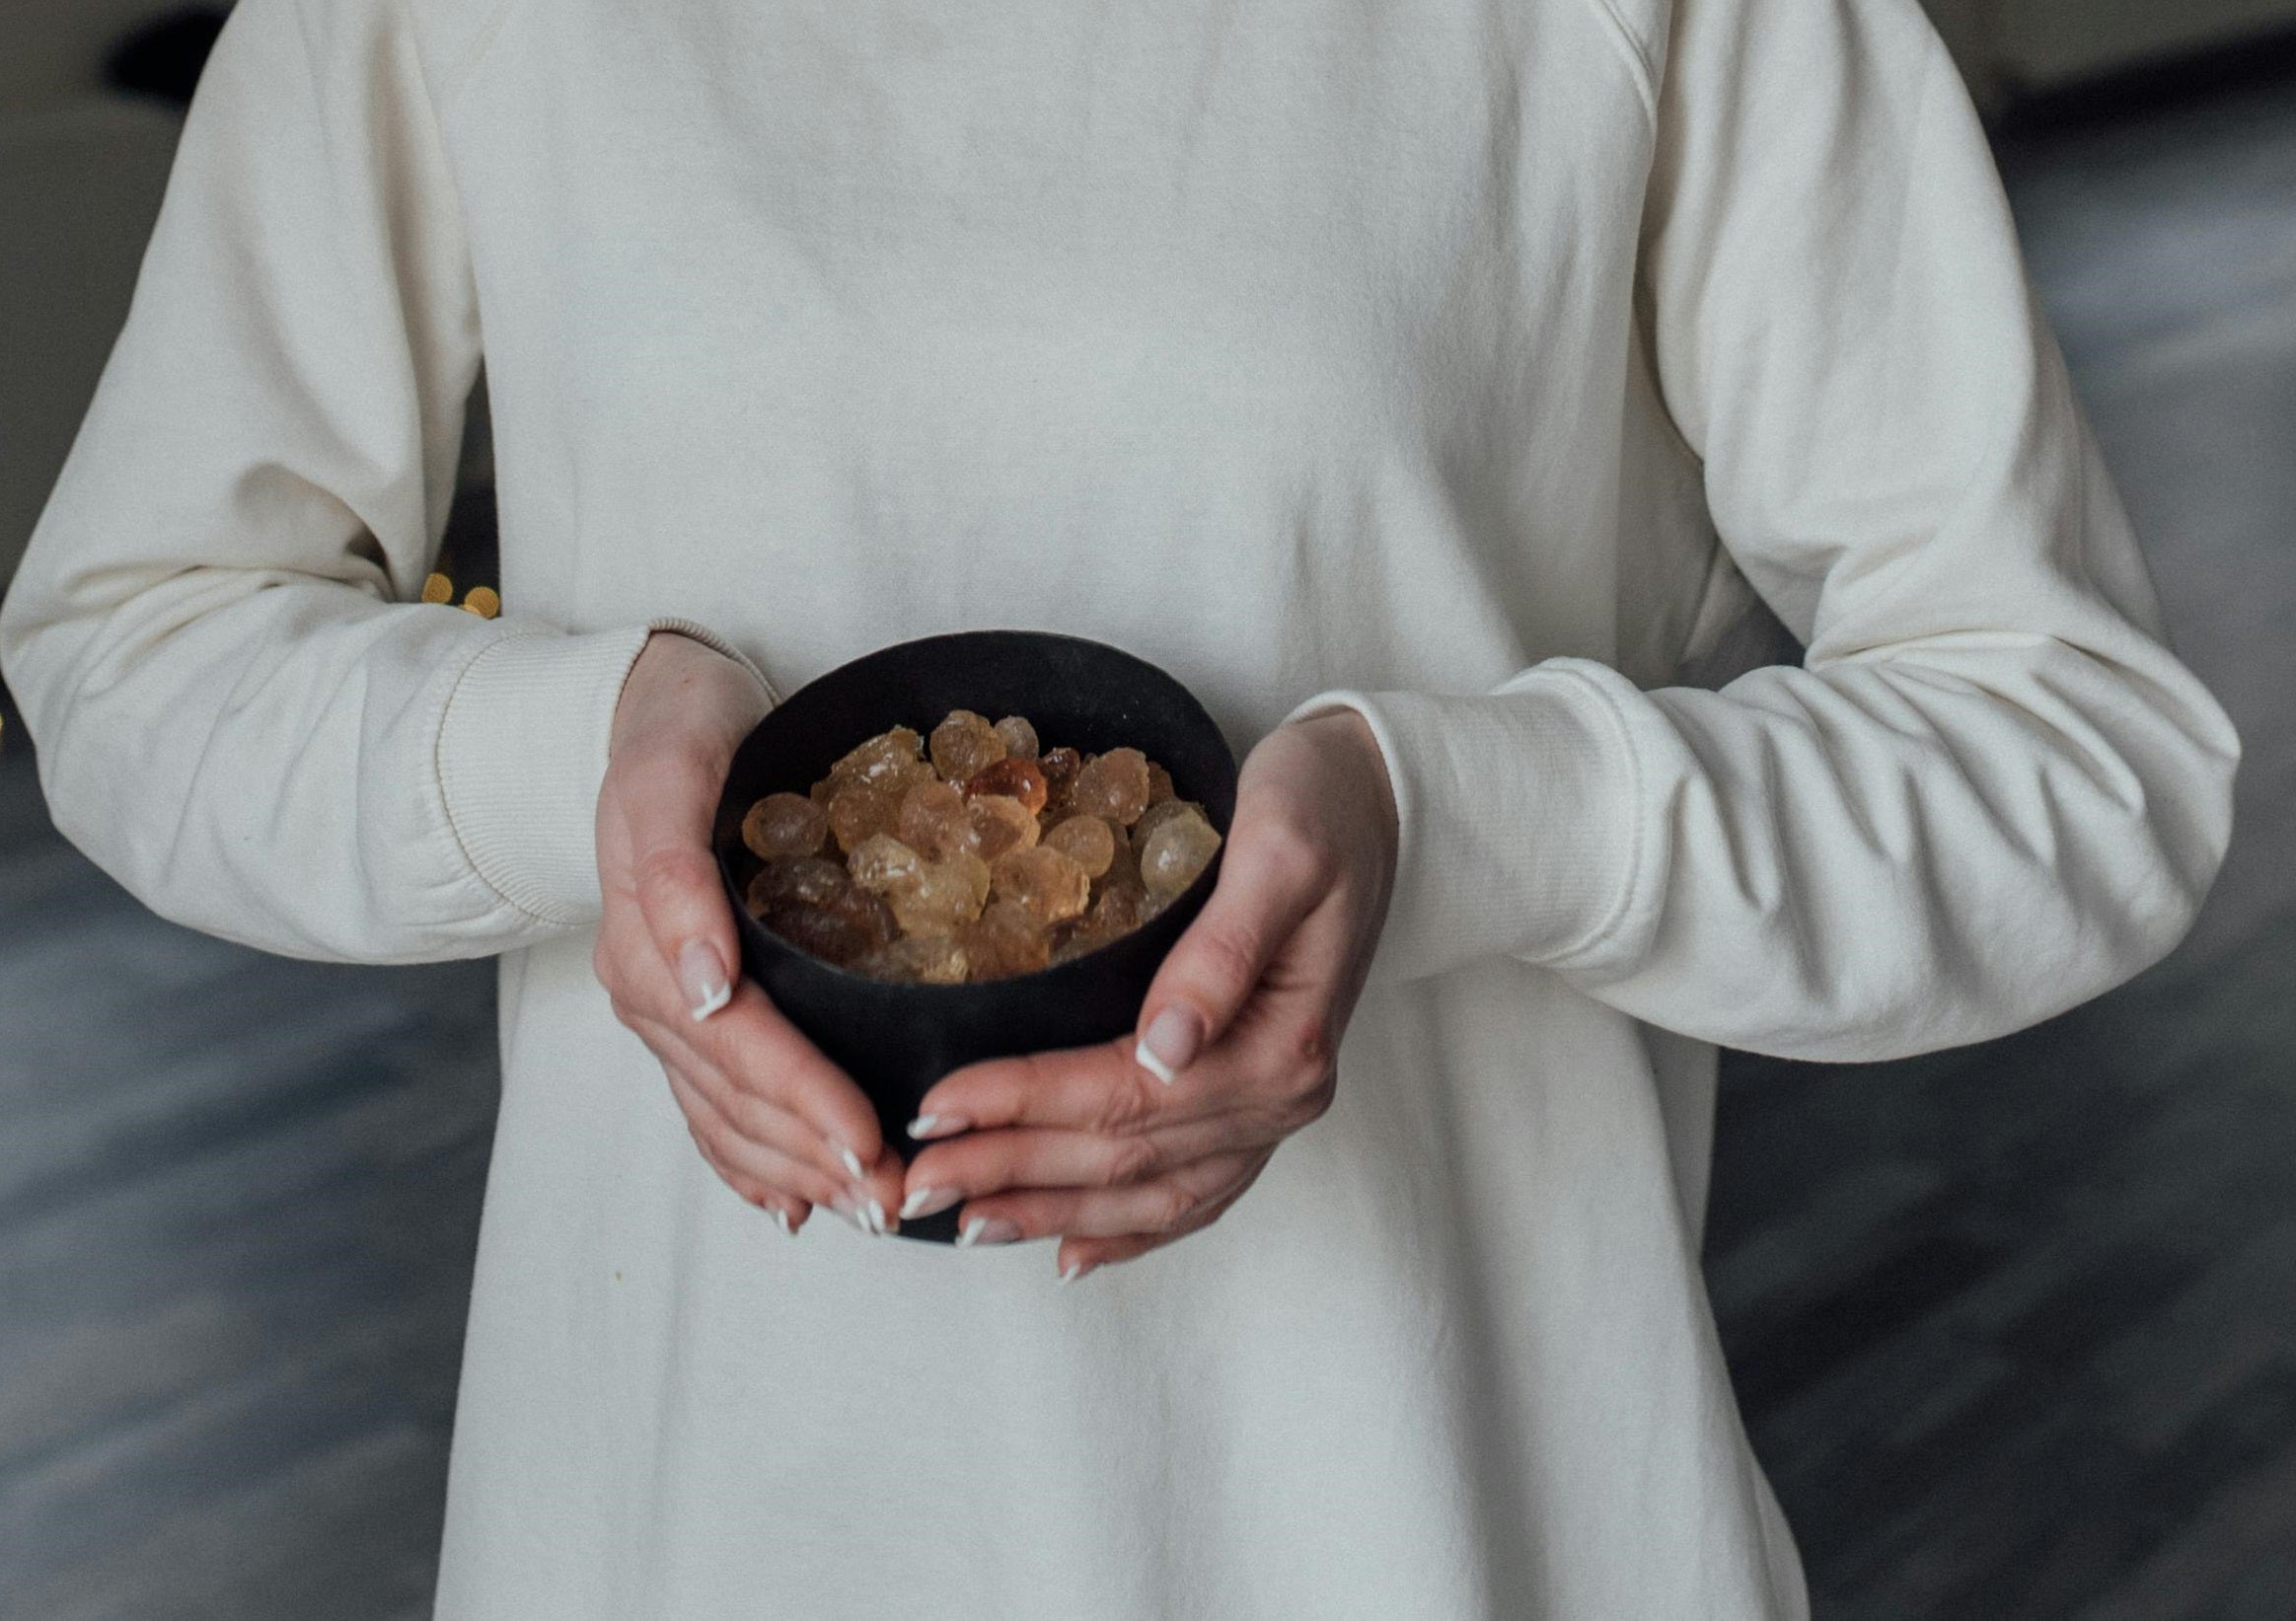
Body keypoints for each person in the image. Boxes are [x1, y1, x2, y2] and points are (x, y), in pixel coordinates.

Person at [0, 0, 2240, 1610]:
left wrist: (1467, 817)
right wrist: (576, 759)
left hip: (1451, 1531)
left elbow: (2080, 759)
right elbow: (131, 646)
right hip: (681, 1524)